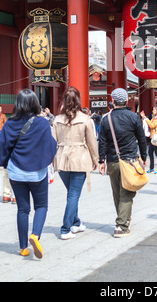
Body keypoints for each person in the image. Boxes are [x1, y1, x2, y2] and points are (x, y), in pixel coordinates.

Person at [0, 89, 57, 258]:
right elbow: (51, 145)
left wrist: (1, 162)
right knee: (41, 206)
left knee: (23, 209)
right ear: (35, 103)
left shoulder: (9, 123)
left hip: (16, 172)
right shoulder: (42, 123)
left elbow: (1, 146)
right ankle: (35, 235)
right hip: (37, 172)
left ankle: (23, 247)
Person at [98, 88, 147, 238]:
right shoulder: (133, 117)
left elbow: (102, 142)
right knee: (127, 193)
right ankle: (121, 226)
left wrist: (101, 161)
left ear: (112, 101)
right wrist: (144, 156)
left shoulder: (106, 119)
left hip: (113, 161)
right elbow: (141, 139)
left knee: (117, 193)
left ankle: (124, 218)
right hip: (130, 161)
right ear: (126, 101)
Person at [52, 86, 99, 240]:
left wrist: (53, 161)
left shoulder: (57, 120)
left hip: (62, 158)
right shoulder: (85, 119)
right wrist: (95, 160)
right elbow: (92, 142)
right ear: (78, 100)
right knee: (73, 194)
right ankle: (66, 228)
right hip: (79, 157)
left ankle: (76, 222)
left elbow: (53, 142)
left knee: (72, 193)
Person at [0, 105, 15, 203]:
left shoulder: (5, 119)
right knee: (16, 175)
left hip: (7, 153)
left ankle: (6, 195)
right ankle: (15, 196)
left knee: (7, 174)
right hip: (17, 155)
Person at [141, 104, 157, 174]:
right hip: (153, 137)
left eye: (154, 109)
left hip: (156, 137)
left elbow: (152, 125)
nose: (153, 111)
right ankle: (151, 168)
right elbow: (150, 123)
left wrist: (146, 118)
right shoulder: (155, 117)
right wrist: (145, 118)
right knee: (150, 152)